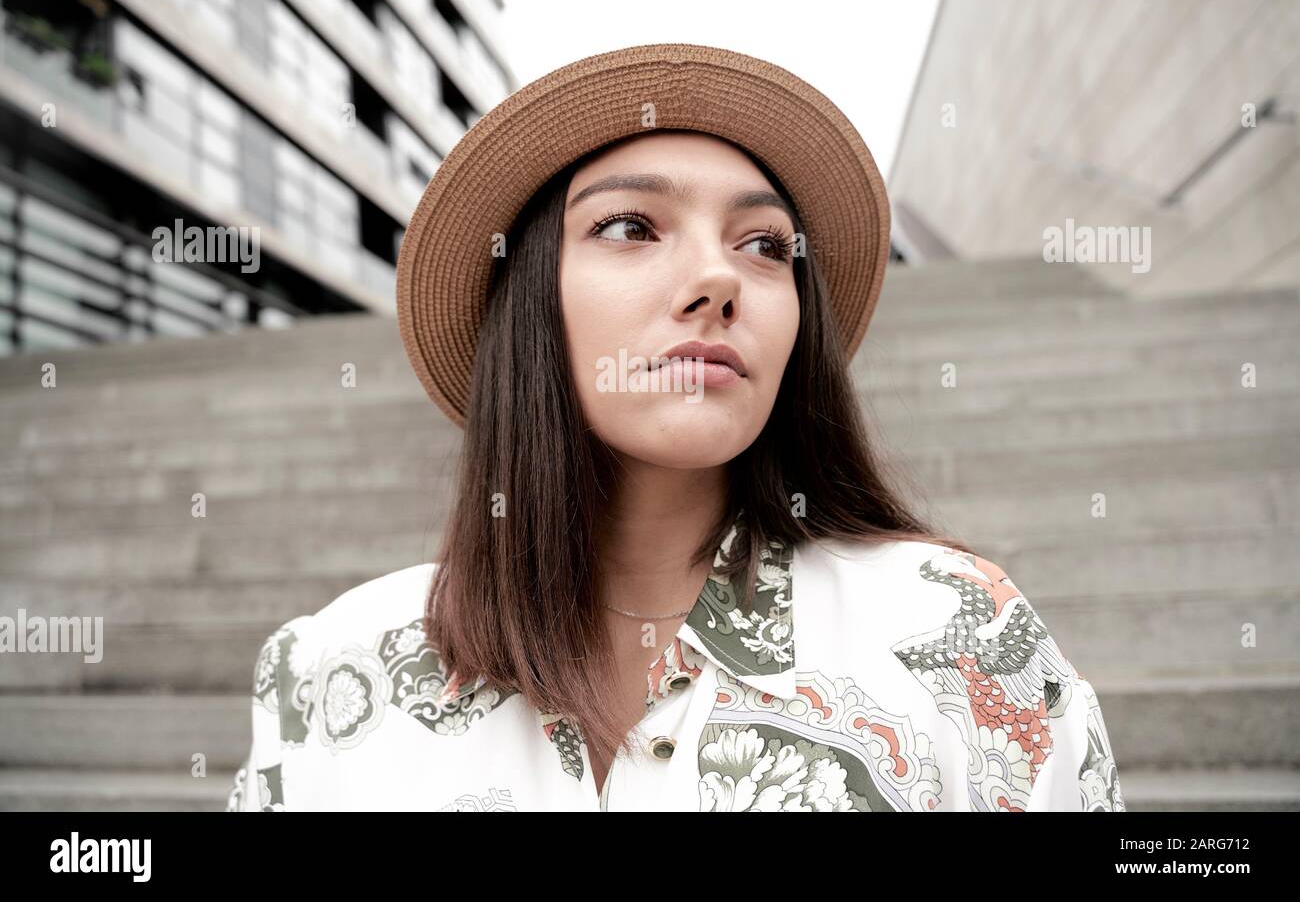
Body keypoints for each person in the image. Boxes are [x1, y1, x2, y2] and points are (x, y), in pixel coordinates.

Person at [227, 43, 1125, 812]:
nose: (718, 277)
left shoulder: (961, 635)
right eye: (629, 226)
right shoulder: (331, 670)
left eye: (766, 245)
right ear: (529, 299)